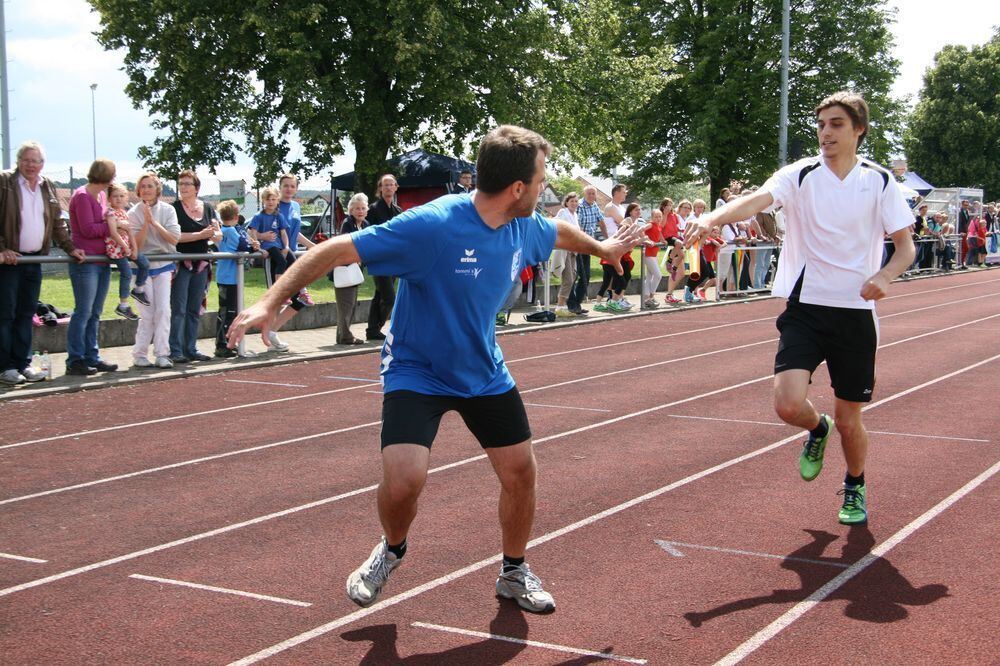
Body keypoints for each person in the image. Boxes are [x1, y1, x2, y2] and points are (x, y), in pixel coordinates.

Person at [227, 125, 646, 614]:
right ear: (517, 189)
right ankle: (391, 549)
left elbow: (560, 232)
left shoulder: (524, 226)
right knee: (404, 479)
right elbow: (334, 250)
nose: (543, 189)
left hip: (482, 370)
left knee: (520, 473)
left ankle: (513, 571)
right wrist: (268, 301)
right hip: (417, 368)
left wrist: (604, 249)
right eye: (540, 180)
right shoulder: (434, 225)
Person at [685, 91, 916, 525]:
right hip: (805, 306)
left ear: (858, 130)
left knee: (851, 420)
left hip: (854, 312)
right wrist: (712, 220)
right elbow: (754, 201)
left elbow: (905, 248)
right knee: (789, 405)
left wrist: (883, 277)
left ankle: (854, 485)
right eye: (821, 124)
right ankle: (816, 428)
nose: (825, 132)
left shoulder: (880, 181)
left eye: (836, 124)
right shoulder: (799, 174)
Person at [0, 141, 85, 385]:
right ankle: (4, 366)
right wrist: (2, 248)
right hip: (9, 260)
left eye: (36, 161)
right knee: (6, 315)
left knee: (26, 314)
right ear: (18, 161)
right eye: (26, 160)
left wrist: (70, 247)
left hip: (34, 259)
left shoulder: (46, 184)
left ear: (42, 164)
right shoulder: (5, 182)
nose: (31, 165)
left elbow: (57, 222)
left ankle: (22, 363)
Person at [66, 158, 119, 376]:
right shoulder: (82, 196)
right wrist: (112, 226)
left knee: (95, 312)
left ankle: (91, 355)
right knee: (84, 311)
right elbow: (88, 229)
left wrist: (110, 224)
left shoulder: (100, 196)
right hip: (86, 262)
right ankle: (75, 359)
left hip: (101, 260)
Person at [129, 172, 181, 368]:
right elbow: (137, 245)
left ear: (157, 189)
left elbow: (174, 239)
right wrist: (144, 223)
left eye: (150, 186)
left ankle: (162, 353)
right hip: (141, 268)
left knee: (164, 310)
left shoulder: (167, 210)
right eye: (143, 186)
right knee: (148, 313)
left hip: (163, 265)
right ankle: (140, 353)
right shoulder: (133, 213)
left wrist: (154, 223)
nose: (146, 190)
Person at [169, 169, 221, 363]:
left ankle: (190, 348)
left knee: (194, 308)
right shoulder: (173, 208)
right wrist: (200, 235)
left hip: (202, 263)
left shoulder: (207, 208)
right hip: (181, 263)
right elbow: (174, 236)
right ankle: (175, 350)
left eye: (186, 184)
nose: (183, 188)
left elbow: (217, 234)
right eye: (180, 184)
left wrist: (214, 234)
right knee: (179, 308)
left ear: (196, 188)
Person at [247, 185, 295, 351]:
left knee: (292, 261)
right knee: (280, 263)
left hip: (280, 245)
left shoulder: (279, 215)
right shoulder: (259, 216)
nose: (271, 202)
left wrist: (287, 246)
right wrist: (259, 246)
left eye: (274, 199)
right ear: (263, 201)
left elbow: (283, 233)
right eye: (268, 199)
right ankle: (281, 293)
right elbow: (252, 231)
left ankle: (292, 289)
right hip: (269, 246)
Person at [213, 199, 258, 358]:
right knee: (229, 312)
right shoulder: (231, 232)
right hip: (230, 278)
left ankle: (227, 342)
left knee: (227, 311)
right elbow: (245, 246)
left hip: (225, 276)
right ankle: (223, 344)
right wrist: (254, 246)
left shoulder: (223, 231)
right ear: (236, 216)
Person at [366, 173, 402, 341]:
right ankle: (376, 327)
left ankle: (372, 329)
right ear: (380, 188)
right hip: (379, 258)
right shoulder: (373, 210)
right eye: (385, 185)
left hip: (394, 259)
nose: (388, 187)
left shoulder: (398, 211)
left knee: (380, 294)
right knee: (389, 296)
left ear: (396, 187)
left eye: (391, 184)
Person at [105, 183, 148, 321]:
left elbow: (129, 232)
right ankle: (123, 305)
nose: (118, 199)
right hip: (116, 248)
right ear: (109, 199)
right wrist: (125, 247)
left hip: (126, 247)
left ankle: (138, 289)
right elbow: (113, 233)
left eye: (122, 196)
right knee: (127, 273)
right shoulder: (110, 213)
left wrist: (134, 249)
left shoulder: (124, 213)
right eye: (115, 196)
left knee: (144, 263)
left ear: (126, 198)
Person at [334, 193, 370, 345]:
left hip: (355, 270)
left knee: (351, 304)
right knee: (346, 304)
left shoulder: (366, 224)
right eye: (356, 208)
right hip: (344, 268)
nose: (360, 211)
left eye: (362, 208)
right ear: (351, 210)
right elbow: (347, 244)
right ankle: (346, 337)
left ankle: (342, 336)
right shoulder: (347, 223)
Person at [278, 173, 316, 305]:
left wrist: (312, 245)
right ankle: (270, 326)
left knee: (297, 303)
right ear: (280, 187)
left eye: (292, 186)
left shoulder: (296, 206)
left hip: (293, 252)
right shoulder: (273, 204)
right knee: (276, 301)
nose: (289, 189)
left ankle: (276, 325)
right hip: (279, 255)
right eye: (286, 186)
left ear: (296, 189)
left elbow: (295, 232)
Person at [566, 185, 605, 315]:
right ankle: (571, 304)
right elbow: (578, 227)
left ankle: (577, 303)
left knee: (586, 276)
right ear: (584, 194)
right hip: (577, 245)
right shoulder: (580, 206)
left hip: (587, 246)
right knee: (574, 275)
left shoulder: (595, 206)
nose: (591, 196)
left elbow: (601, 221)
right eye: (589, 193)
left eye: (593, 193)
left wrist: (607, 238)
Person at [552, 192, 580, 317]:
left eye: (575, 201)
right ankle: (560, 306)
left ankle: (562, 305)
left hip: (573, 250)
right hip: (565, 250)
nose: (574, 203)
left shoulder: (575, 215)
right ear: (566, 202)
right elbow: (556, 225)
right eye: (571, 201)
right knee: (568, 278)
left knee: (572, 276)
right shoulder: (563, 212)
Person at [642, 208, 664, 308]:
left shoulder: (658, 226)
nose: (658, 218)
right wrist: (647, 240)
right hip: (648, 253)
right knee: (658, 275)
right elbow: (641, 230)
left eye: (660, 216)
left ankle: (646, 298)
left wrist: (663, 240)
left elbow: (659, 235)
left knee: (650, 276)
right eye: (656, 217)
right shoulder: (650, 224)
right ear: (652, 217)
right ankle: (651, 295)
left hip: (654, 254)